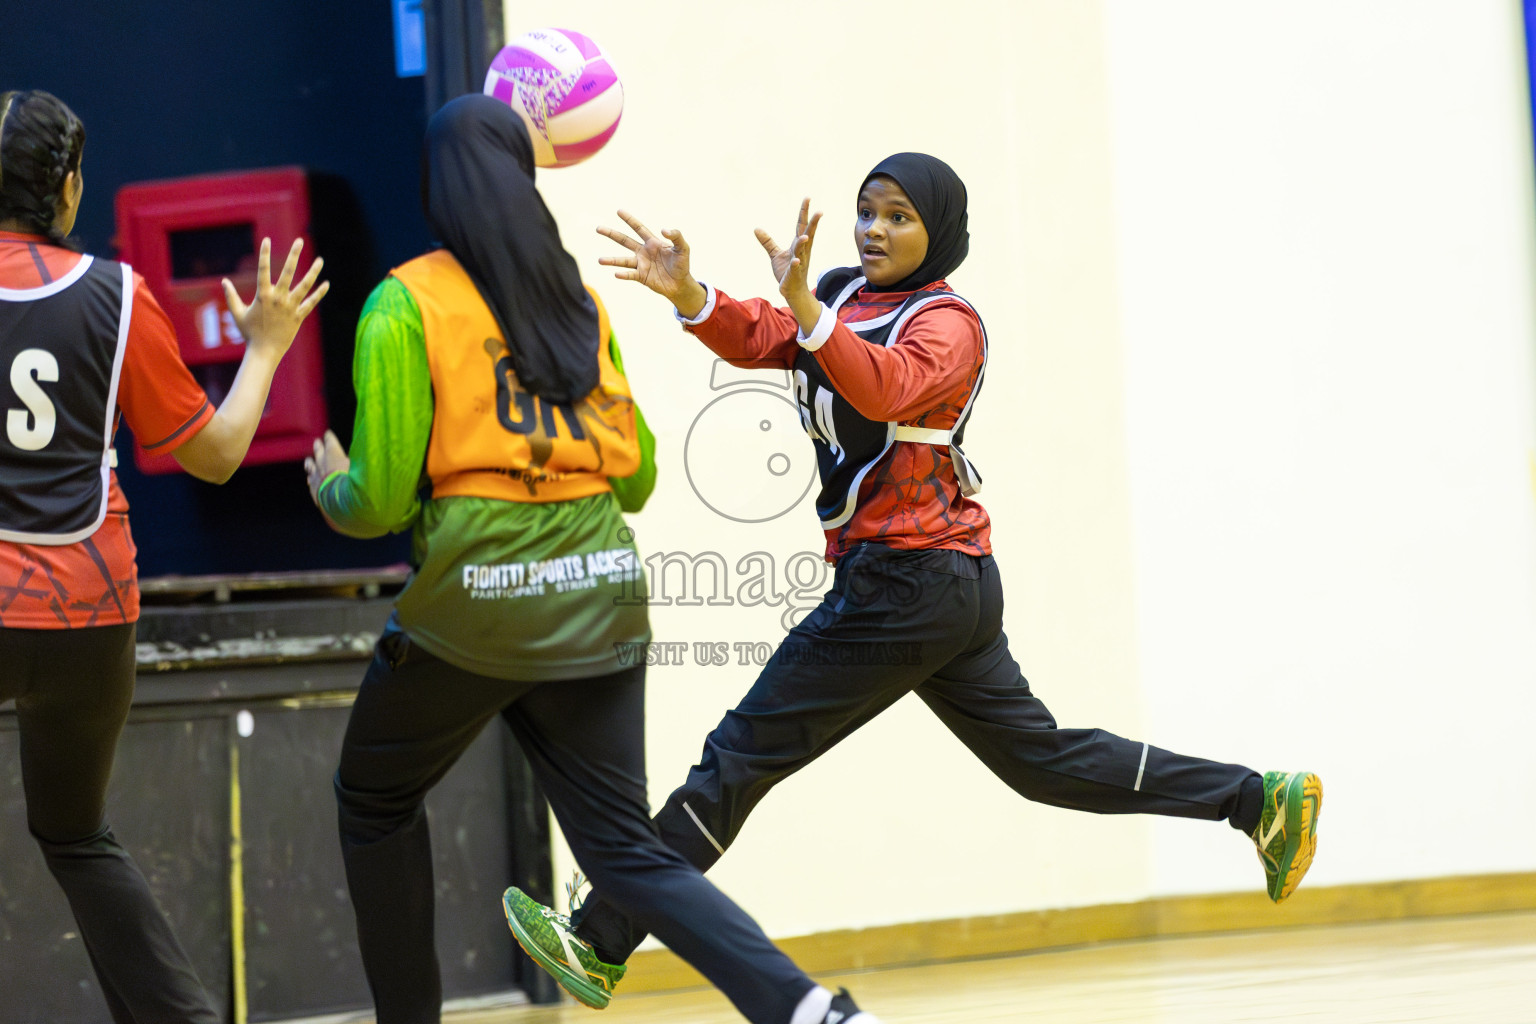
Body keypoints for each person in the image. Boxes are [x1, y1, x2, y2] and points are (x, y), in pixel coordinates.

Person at [504, 152, 1324, 1005]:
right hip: (934, 587)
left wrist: (809, 311)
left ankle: (599, 939)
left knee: (738, 756)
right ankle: (1255, 800)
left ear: (940, 231)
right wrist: (689, 293)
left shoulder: (948, 324)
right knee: (1041, 763)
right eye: (867, 212)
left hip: (906, 585)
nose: (874, 230)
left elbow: (883, 389)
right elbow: (764, 335)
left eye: (898, 216)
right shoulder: (841, 297)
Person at [304, 93, 880, 1024]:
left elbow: (377, 504)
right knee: (625, 852)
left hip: (478, 598)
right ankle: (811, 1011)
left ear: (436, 188)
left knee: (374, 801)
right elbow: (639, 476)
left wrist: (332, 482)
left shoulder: (404, 303)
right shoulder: (578, 300)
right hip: (602, 588)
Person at [0, 89, 327, 1022]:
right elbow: (215, 455)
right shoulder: (117, 294)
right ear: (68, 187)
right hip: (89, 612)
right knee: (76, 836)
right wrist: (264, 347)